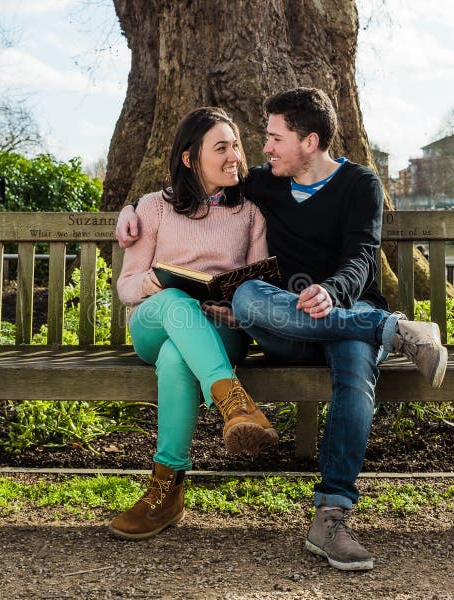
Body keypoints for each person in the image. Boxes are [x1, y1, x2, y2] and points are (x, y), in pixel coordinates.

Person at [115, 88, 448, 570]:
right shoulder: (242, 188)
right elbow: (158, 233)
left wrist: (327, 291)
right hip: (222, 318)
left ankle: (327, 515)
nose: (255, 151)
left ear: (309, 142)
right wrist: (132, 216)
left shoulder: (331, 188)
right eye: (229, 146)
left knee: (337, 361)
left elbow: (357, 257)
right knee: (214, 299)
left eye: (268, 139)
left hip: (316, 315)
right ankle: (389, 332)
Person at [109, 106, 278, 541]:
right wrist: (148, 284)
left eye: (236, 145)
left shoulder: (251, 213)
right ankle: (232, 401)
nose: (233, 156)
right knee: (176, 302)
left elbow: (258, 289)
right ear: (189, 158)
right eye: (221, 147)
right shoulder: (153, 208)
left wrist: (236, 310)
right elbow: (125, 286)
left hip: (220, 330)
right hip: (156, 319)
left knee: (176, 357)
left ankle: (165, 491)